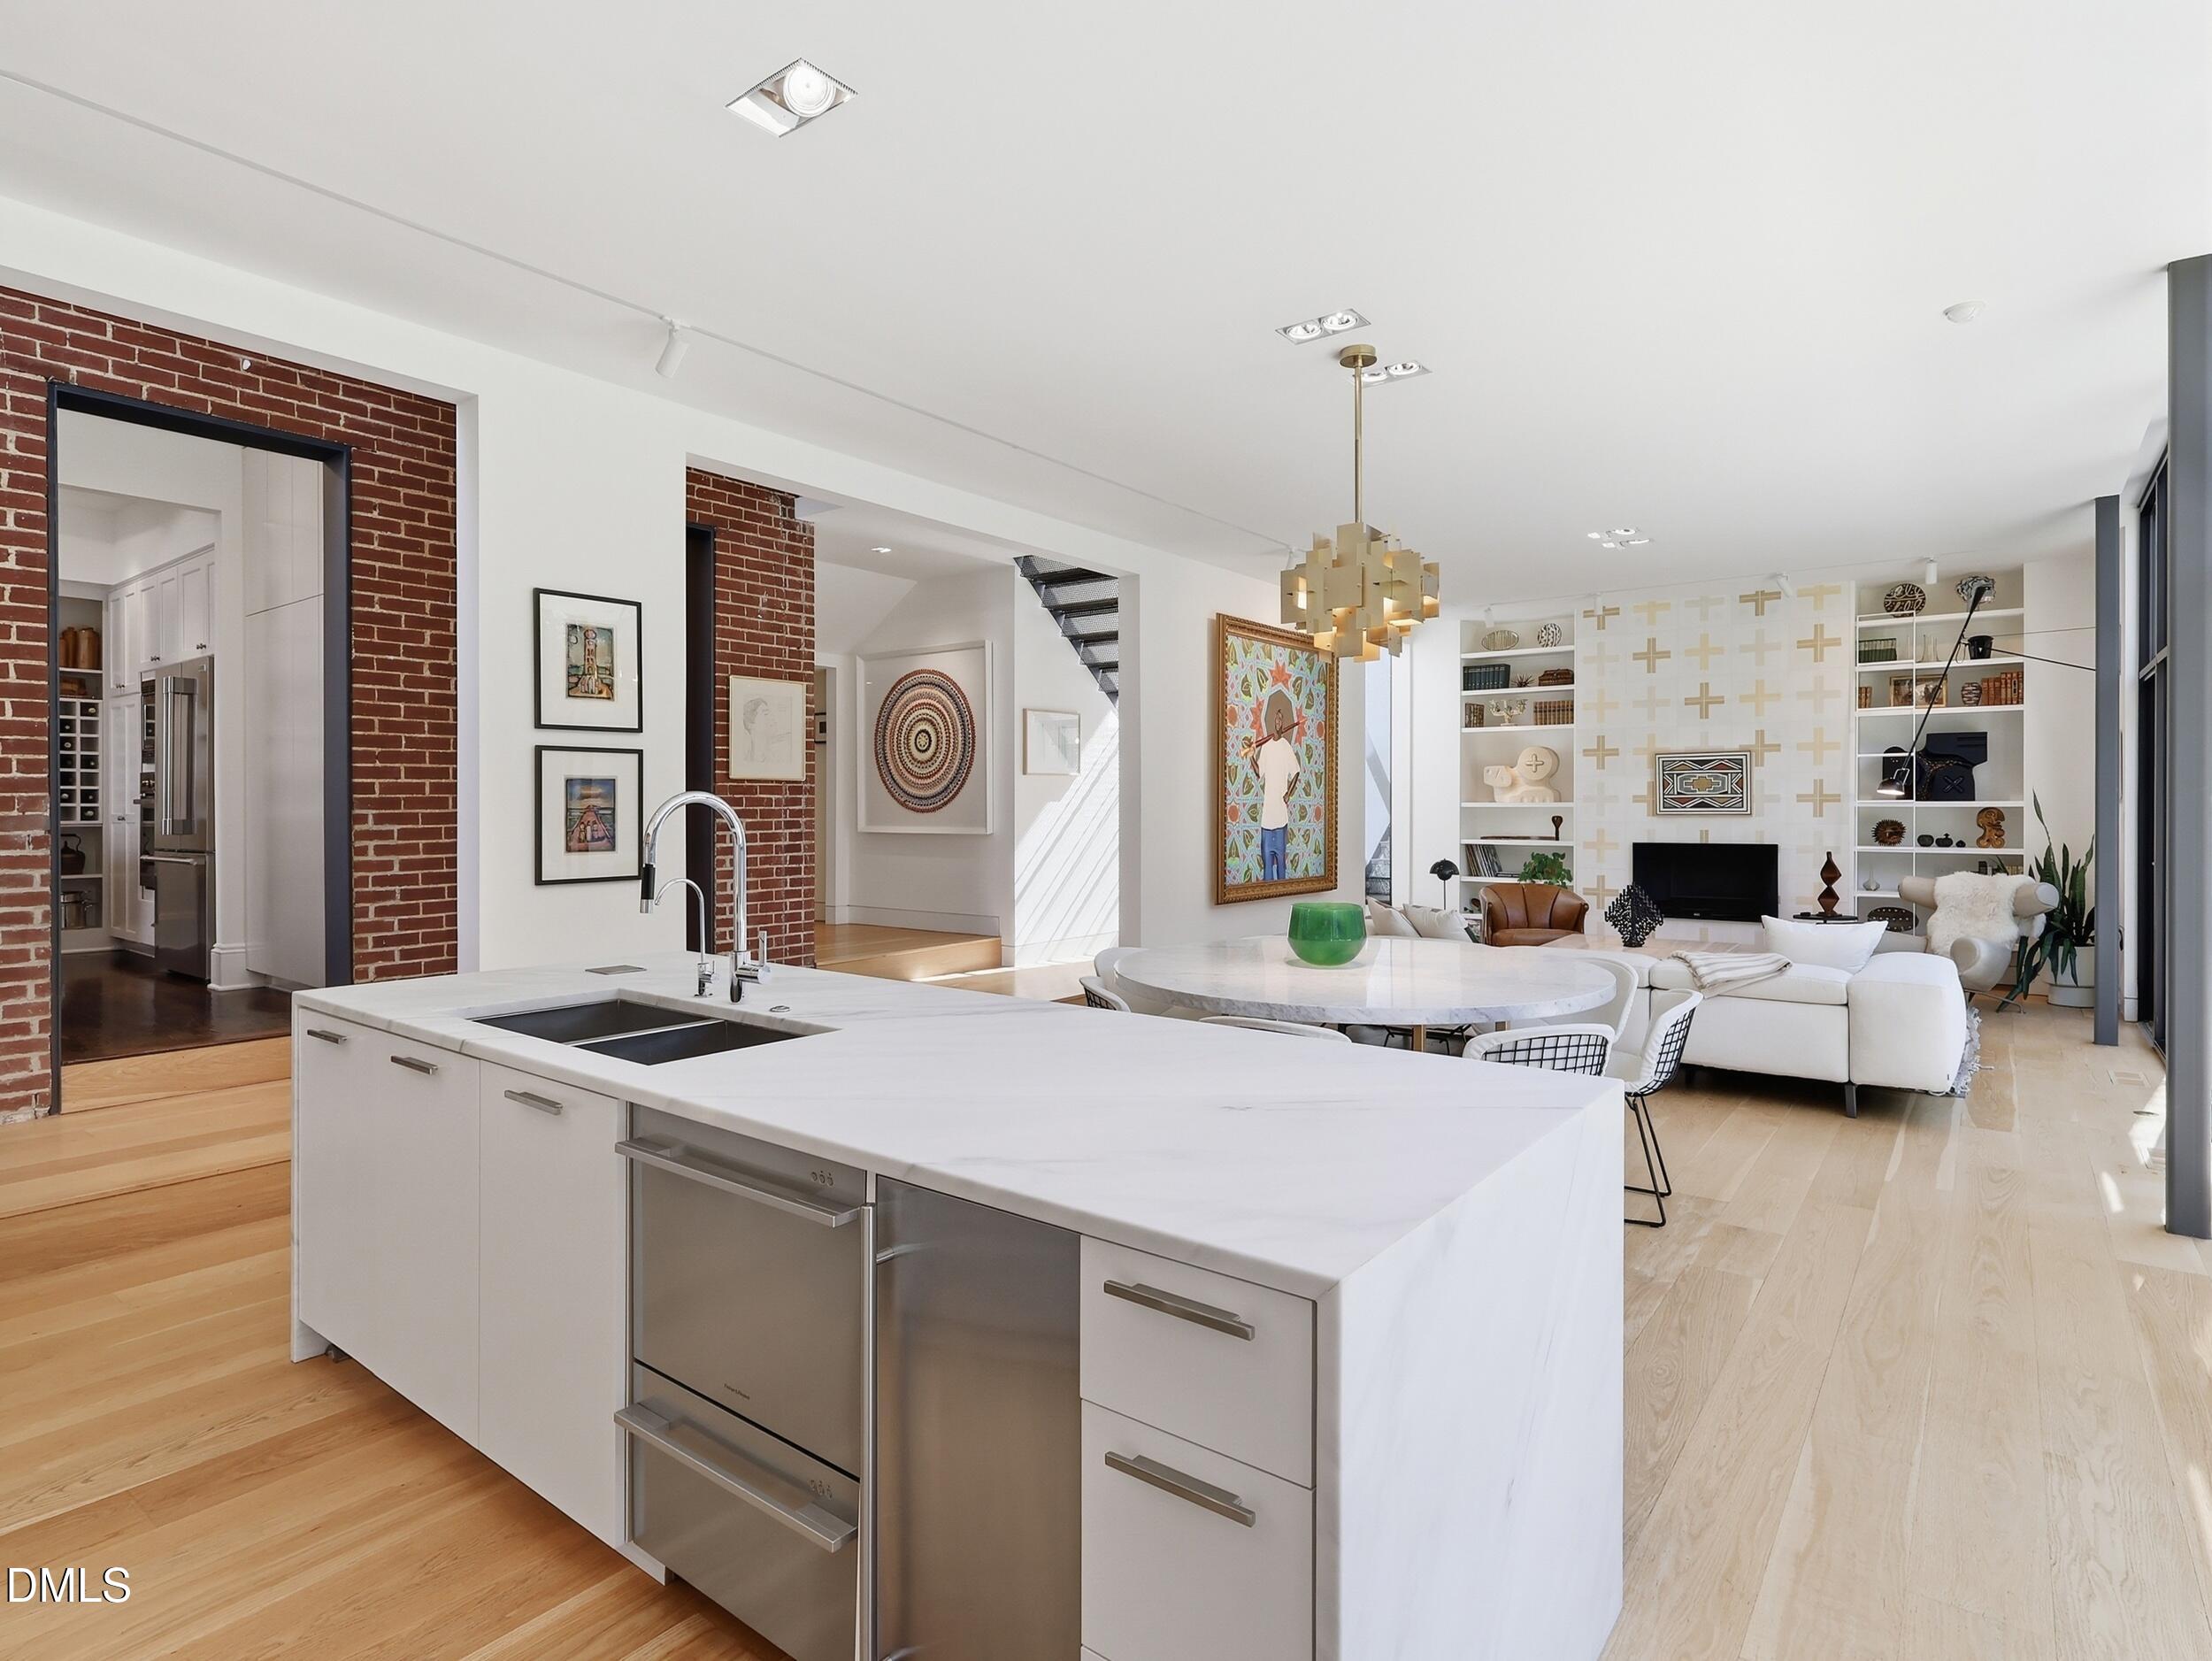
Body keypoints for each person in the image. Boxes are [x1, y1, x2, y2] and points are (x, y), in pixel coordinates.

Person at [1246, 687, 1301, 881]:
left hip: (1281, 817)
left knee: (1281, 864)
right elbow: (1259, 772)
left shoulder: (1286, 747)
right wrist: (1252, 756)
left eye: (1281, 719)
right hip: (1267, 817)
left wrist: (1288, 795)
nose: (1279, 722)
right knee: (1267, 864)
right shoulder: (1267, 748)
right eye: (1276, 718)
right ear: (1271, 720)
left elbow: (1296, 772)